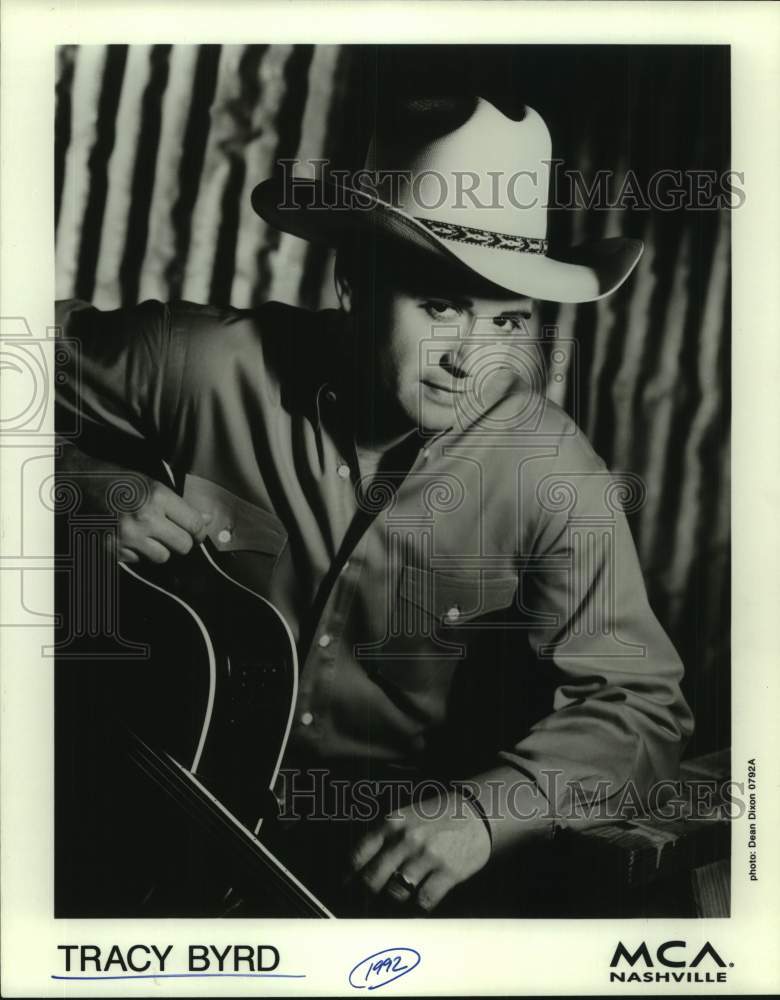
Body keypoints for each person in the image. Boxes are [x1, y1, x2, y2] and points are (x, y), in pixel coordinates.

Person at [55, 96, 693, 916]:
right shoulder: (202, 363)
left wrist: (486, 813)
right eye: (440, 306)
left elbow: (640, 704)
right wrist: (78, 484)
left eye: (507, 320)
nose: (471, 359)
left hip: (362, 868)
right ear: (354, 281)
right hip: (129, 799)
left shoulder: (552, 470)